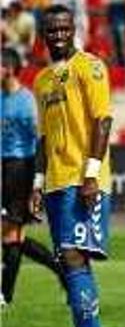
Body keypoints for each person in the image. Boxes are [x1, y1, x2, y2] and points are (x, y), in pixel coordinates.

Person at [30, 4, 113, 327]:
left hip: (82, 181)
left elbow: (103, 121)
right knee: (69, 260)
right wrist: (37, 183)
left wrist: (91, 174)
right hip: (55, 182)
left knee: (75, 258)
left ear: (74, 29)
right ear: (42, 34)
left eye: (64, 28)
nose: (59, 34)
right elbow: (43, 139)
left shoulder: (90, 67)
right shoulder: (43, 80)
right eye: (52, 29)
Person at [1, 47, 65, 305]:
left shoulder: (27, 101)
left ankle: (5, 295)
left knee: (11, 232)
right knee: (15, 236)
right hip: (4, 167)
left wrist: (37, 178)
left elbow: (39, 140)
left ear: (8, 68)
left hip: (21, 168)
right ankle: (61, 271)